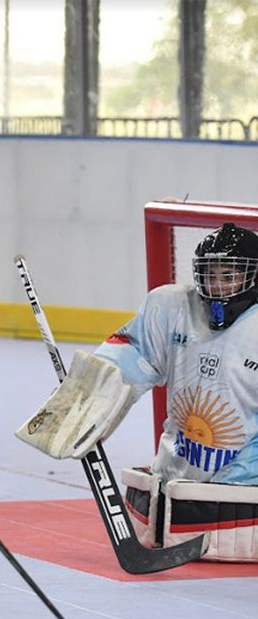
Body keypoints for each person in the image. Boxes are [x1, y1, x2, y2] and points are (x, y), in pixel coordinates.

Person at [18, 222, 258, 561]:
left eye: (229, 276)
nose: (216, 286)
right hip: (174, 486)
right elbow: (133, 354)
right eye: (210, 275)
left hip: (244, 497)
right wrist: (87, 393)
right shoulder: (172, 307)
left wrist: (239, 481)